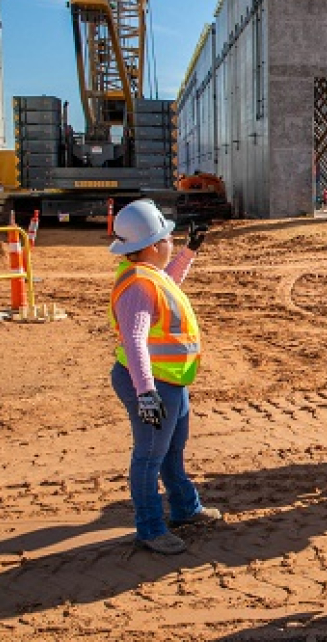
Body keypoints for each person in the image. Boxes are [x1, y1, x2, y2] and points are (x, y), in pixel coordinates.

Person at [108, 200, 221, 556]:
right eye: (169, 238)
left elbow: (169, 282)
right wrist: (146, 393)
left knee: (173, 448)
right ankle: (151, 528)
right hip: (152, 383)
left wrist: (190, 252)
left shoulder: (149, 275)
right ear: (153, 246)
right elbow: (135, 341)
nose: (170, 242)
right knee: (149, 455)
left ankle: (186, 508)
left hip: (168, 381)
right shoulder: (138, 286)